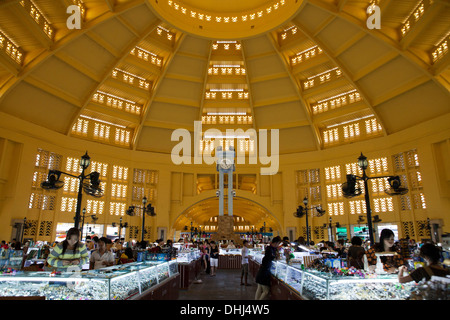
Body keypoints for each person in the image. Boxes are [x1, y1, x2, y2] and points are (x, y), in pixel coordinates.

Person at [255, 236, 282, 300]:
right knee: (266, 291)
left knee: (259, 288)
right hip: (264, 272)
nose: (278, 245)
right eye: (278, 244)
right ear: (276, 243)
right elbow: (272, 258)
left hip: (262, 270)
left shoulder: (269, 248)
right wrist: (277, 256)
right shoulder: (270, 250)